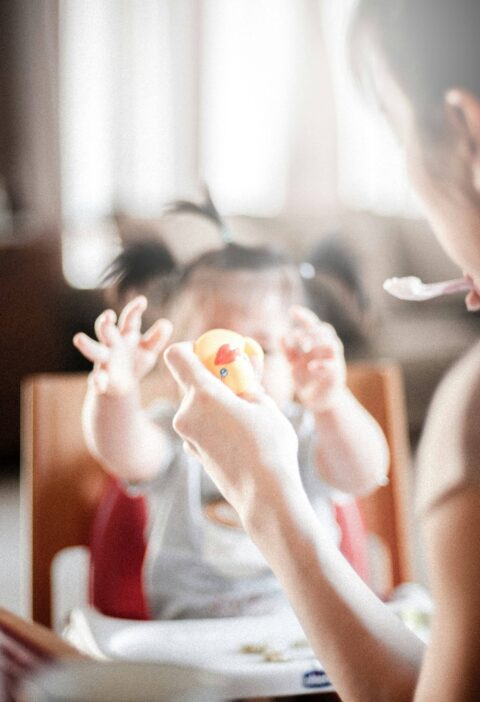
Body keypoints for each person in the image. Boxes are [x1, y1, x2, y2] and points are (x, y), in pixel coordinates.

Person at [161, 1, 480, 699]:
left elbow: (366, 468)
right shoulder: (176, 426)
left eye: (397, 133)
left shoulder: (468, 411)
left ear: (465, 130)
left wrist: (275, 479)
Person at [73, 218, 389, 620]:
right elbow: (123, 452)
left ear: (295, 360)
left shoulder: (305, 433)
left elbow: (364, 473)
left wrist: (330, 401)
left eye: (263, 349)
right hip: (192, 639)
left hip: (311, 633)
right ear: (176, 360)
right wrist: (115, 393)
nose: (238, 368)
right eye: (215, 347)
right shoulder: (178, 429)